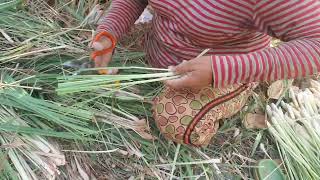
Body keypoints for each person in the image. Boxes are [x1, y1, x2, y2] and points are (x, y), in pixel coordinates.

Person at [91, 0, 320, 146]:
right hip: (160, 44)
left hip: (227, 71)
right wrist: (110, 30)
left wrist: (221, 71)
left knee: (178, 120)